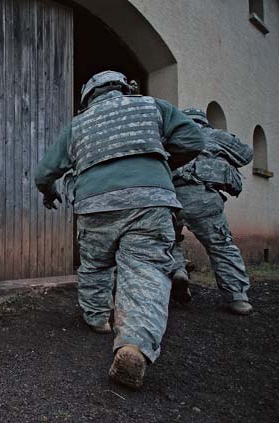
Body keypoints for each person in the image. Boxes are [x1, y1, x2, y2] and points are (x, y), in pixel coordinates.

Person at [34, 70, 204, 389]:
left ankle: (98, 317)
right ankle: (134, 344)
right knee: (146, 269)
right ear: (125, 88)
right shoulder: (153, 106)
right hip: (150, 199)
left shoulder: (77, 126)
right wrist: (161, 165)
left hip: (95, 203)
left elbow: (44, 173)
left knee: (96, 264)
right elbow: (194, 140)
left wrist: (49, 192)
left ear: (88, 97)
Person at [170, 108, 253, 315]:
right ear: (203, 122)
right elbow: (246, 154)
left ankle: (178, 271)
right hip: (203, 197)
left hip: (168, 196)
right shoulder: (214, 135)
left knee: (169, 241)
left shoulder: (169, 137)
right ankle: (237, 298)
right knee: (221, 246)